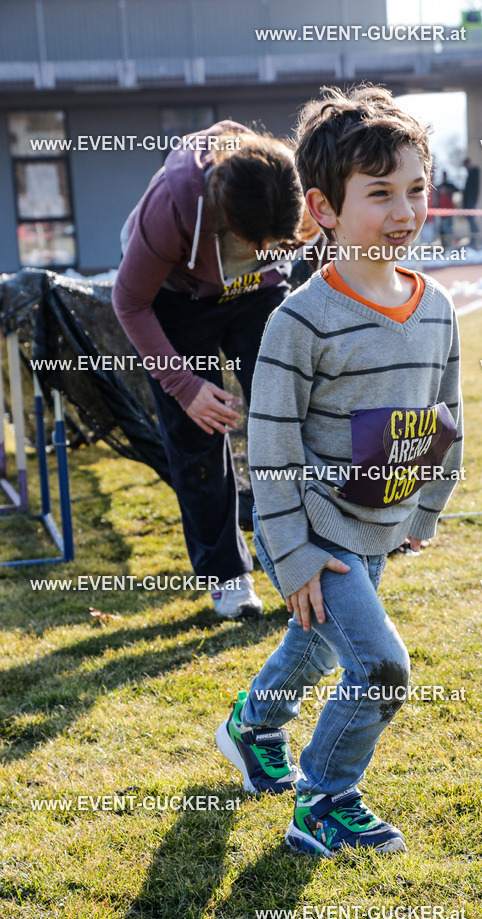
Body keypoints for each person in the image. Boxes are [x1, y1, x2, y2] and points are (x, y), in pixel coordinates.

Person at [214, 85, 464, 857]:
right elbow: (272, 446)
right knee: (382, 669)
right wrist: (289, 554)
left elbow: (443, 418)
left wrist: (422, 511)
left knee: (318, 646)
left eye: (414, 190)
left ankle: (251, 727)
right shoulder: (298, 321)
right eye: (379, 193)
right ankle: (325, 797)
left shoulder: (436, 308)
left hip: (378, 526)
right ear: (323, 208)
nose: (402, 212)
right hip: (317, 531)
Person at [112, 121, 306, 619]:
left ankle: (305, 556)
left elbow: (311, 251)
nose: (266, 248)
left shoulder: (287, 191)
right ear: (224, 220)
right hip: (177, 301)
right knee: (198, 435)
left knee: (289, 408)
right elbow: (130, 303)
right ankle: (228, 578)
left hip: (256, 294)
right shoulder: (174, 207)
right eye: (254, 242)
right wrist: (184, 386)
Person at [436, 170, 457, 248]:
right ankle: (445, 246)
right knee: (442, 232)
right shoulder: (440, 190)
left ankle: (449, 246)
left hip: (448, 215)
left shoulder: (449, 187)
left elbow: (457, 189)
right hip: (442, 215)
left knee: (448, 231)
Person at [462, 157, 481, 241]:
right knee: (471, 221)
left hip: (471, 200)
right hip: (469, 201)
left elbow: (472, 189)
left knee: (472, 221)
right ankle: (475, 239)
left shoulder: (474, 172)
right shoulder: (470, 173)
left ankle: (476, 239)